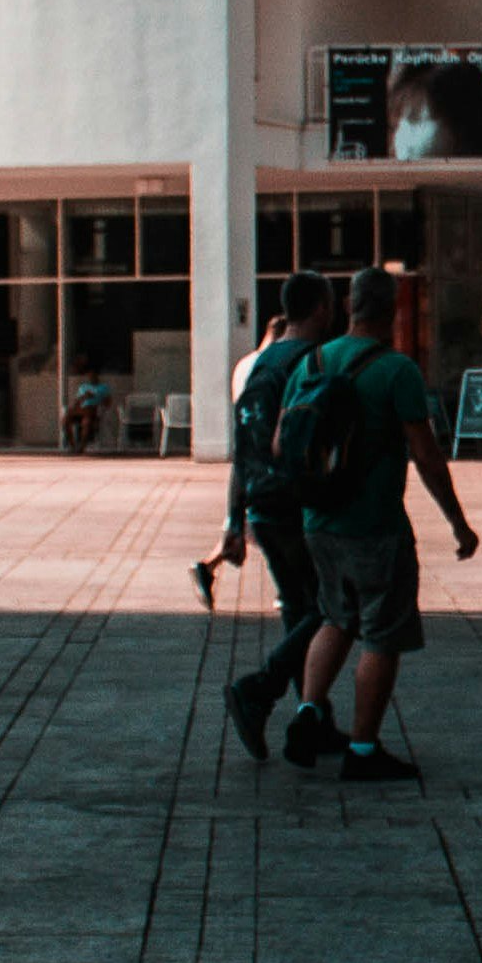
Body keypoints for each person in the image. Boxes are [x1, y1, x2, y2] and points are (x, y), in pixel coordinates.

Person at [281, 268, 477, 781]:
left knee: (334, 617)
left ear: (349, 305)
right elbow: (427, 456)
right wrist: (459, 523)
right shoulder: (397, 370)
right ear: (394, 310)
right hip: (375, 526)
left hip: (318, 522)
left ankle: (308, 712)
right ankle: (364, 751)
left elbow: (283, 445)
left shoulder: (312, 362)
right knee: (381, 635)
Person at [202, 274, 341, 761]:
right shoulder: (308, 362)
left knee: (301, 612)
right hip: (296, 505)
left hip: (262, 506)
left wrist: (235, 520)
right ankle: (260, 688)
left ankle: (314, 717)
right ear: (322, 308)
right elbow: (313, 437)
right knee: (334, 606)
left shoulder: (262, 363)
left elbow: (243, 448)